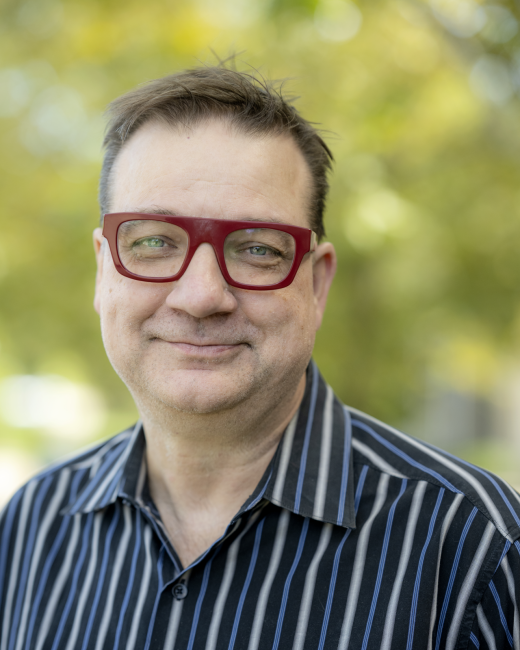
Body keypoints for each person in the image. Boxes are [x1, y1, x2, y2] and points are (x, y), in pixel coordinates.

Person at [0, 65, 519, 650]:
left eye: (256, 250)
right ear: (103, 270)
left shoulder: (474, 548)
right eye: (152, 242)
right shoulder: (30, 526)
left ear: (317, 287)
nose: (201, 296)